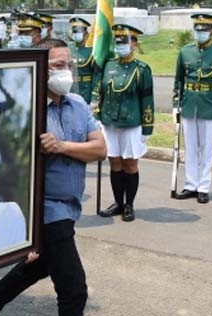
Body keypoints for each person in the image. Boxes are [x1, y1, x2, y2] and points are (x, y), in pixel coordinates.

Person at [0, 39, 106, 316]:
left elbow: (100, 149)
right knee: (73, 290)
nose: (65, 71)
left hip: (68, 206)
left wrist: (61, 147)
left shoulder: (78, 105)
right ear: (40, 69)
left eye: (68, 64)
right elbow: (10, 171)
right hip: (46, 210)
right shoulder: (25, 113)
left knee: (38, 267)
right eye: (57, 65)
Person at [172, 13, 212, 204]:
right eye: (197, 30)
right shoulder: (185, 52)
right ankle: (190, 184)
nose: (200, 33)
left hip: (210, 105)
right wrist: (176, 105)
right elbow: (178, 80)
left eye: (204, 30)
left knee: (207, 148)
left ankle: (204, 186)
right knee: (190, 147)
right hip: (189, 104)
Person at [97, 24, 154, 222]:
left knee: (130, 164)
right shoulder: (109, 65)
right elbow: (102, 94)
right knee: (114, 162)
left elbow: (147, 100)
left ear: (134, 44)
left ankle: (129, 204)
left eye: (125, 42)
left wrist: (147, 127)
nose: (121, 45)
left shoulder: (142, 69)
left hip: (131, 123)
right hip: (110, 122)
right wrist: (98, 117)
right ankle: (118, 203)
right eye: (118, 42)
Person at [68, 17, 102, 105]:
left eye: (79, 31)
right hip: (70, 89)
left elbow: (97, 75)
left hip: (85, 90)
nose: (76, 34)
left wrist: (94, 96)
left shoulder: (91, 51)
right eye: (74, 31)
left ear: (86, 33)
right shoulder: (68, 48)